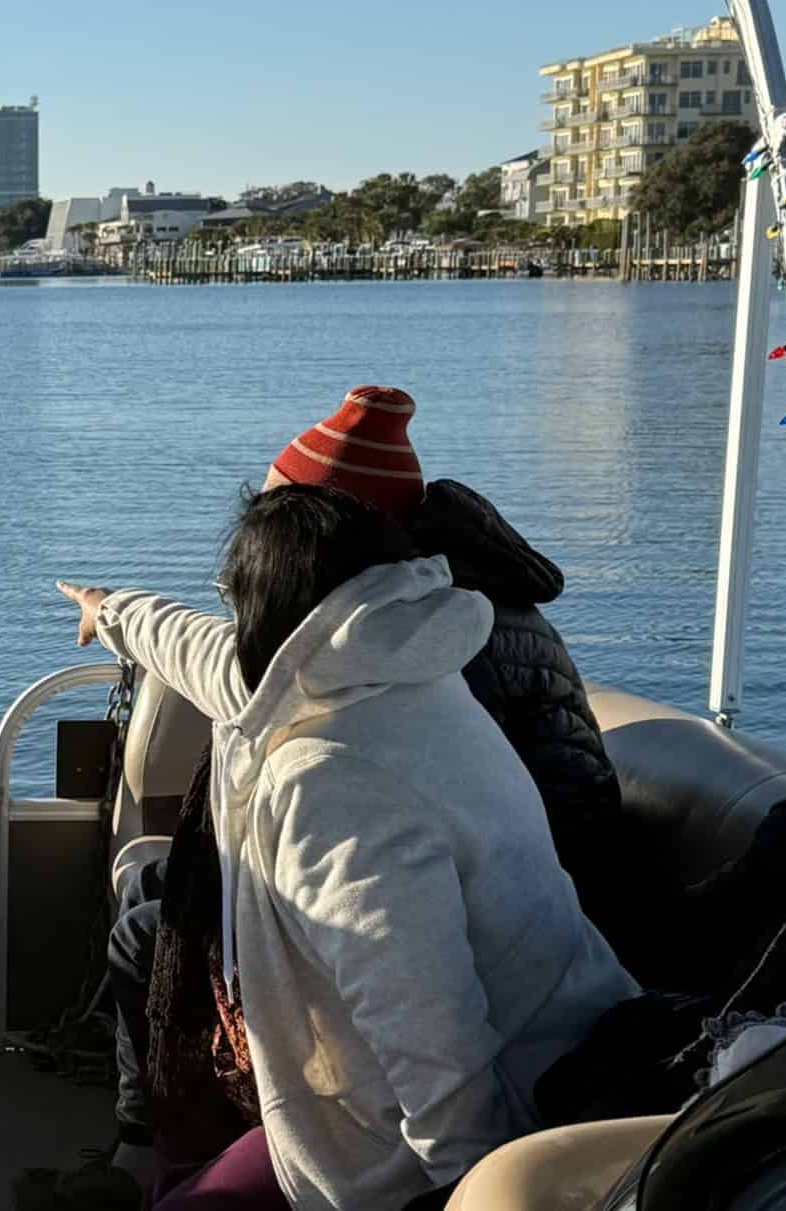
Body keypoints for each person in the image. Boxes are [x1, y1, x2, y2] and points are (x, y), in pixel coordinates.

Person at [48, 386, 634, 1207]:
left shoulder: (332, 775)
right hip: (501, 1061)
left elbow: (430, 1030)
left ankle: (145, 1166)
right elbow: (213, 657)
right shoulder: (397, 658)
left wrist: (469, 1187)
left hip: (457, 1133)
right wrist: (111, 612)